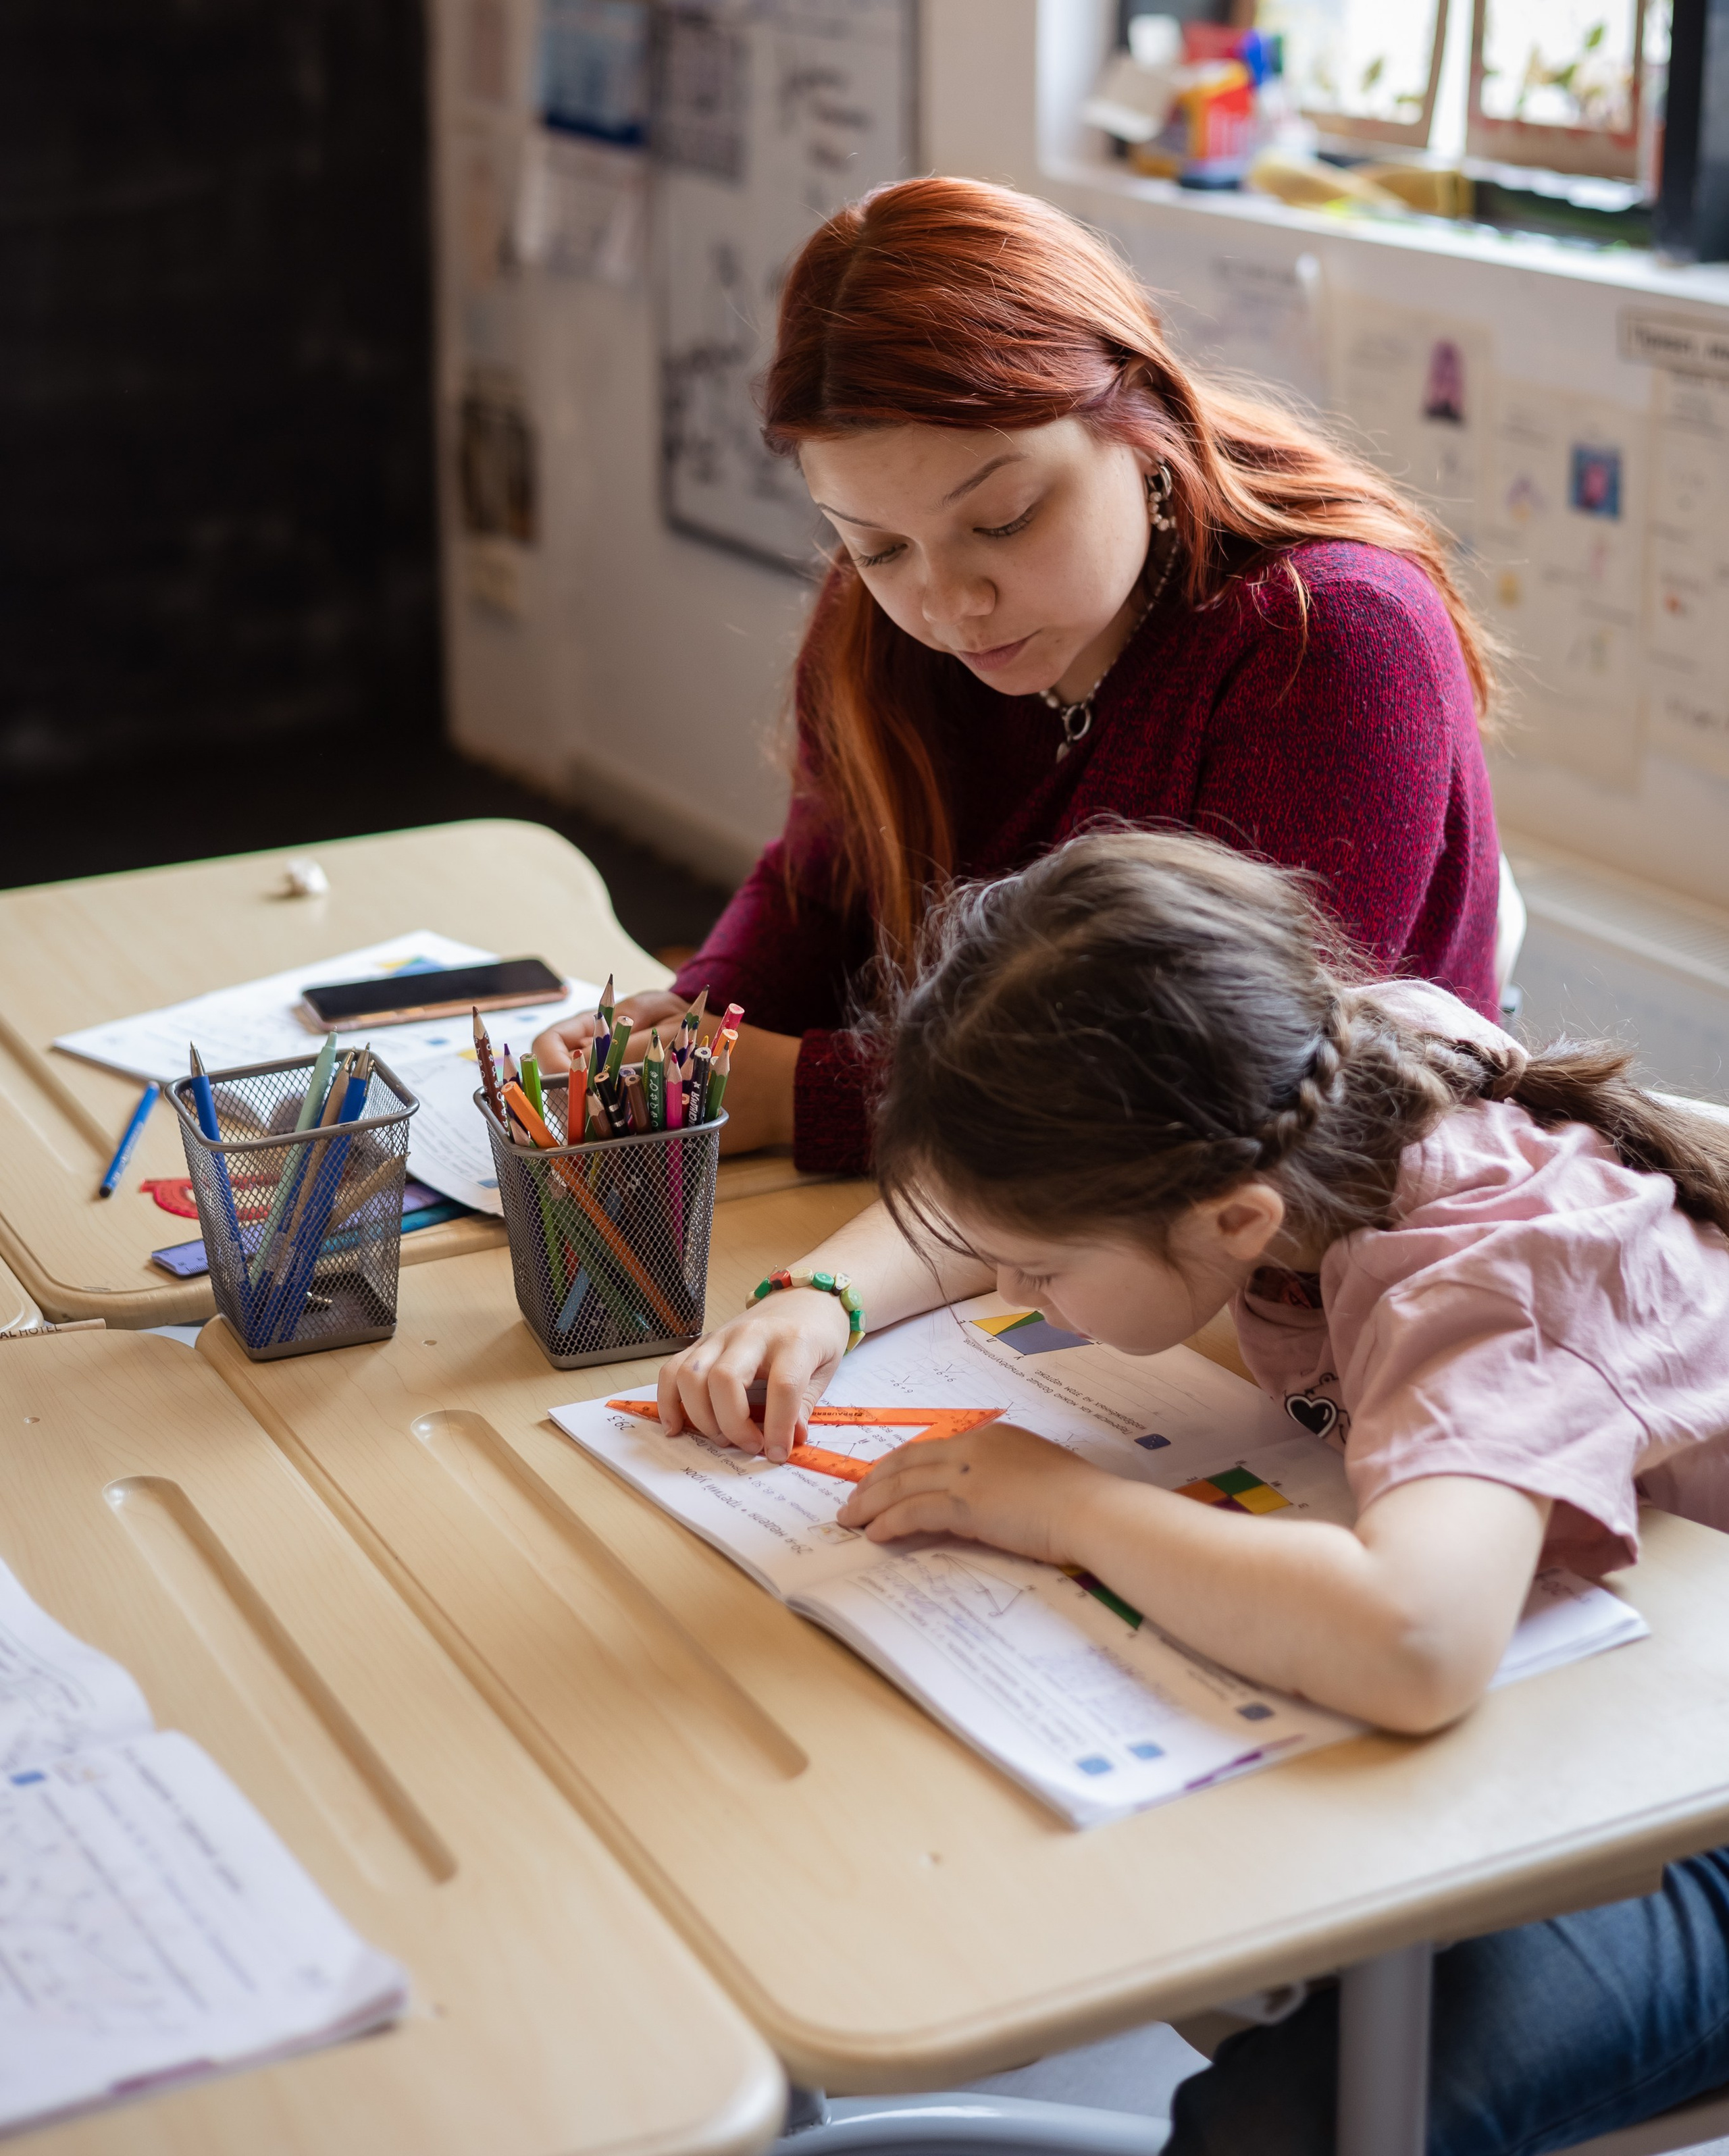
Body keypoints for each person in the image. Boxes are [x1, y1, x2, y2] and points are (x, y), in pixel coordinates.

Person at [657, 828, 1729, 2156]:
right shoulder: (1311, 1079)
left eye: (1041, 1276)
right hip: (1621, 1722)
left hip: (1686, 1802)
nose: (1010, 1291)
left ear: (1232, 1221)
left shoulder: (1486, 1279)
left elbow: (1415, 1642)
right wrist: (822, 1299)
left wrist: (1065, 1508)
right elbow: (1023, 1204)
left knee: (1289, 2119)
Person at [537, 177, 1503, 1169]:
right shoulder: (875, 619)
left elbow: (1219, 1082)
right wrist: (697, 1026)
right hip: (1004, 1207)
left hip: (1328, 1222)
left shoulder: (1330, 639)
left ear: (1140, 415)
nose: (949, 605)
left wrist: (797, 1094)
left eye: (1004, 522)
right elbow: (822, 889)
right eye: (878, 548)